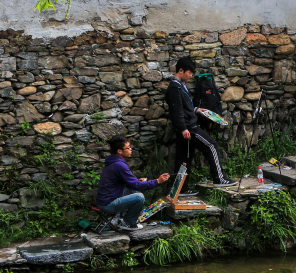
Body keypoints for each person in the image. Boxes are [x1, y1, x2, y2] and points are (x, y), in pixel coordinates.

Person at [165, 56, 237, 189]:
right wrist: (183, 128)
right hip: (189, 127)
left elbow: (184, 107)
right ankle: (219, 179)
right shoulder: (175, 88)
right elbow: (177, 111)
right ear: (181, 70)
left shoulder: (180, 86)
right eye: (189, 73)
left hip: (186, 126)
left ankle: (180, 189)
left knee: (184, 157)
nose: (191, 76)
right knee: (211, 145)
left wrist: (196, 109)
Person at [96, 135, 170, 231]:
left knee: (132, 189)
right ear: (119, 151)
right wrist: (158, 181)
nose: (131, 149)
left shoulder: (113, 162)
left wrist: (137, 181)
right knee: (139, 197)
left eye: (130, 147)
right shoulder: (119, 165)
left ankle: (124, 219)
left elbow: (132, 183)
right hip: (108, 204)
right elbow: (138, 186)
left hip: (106, 199)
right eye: (128, 148)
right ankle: (129, 223)